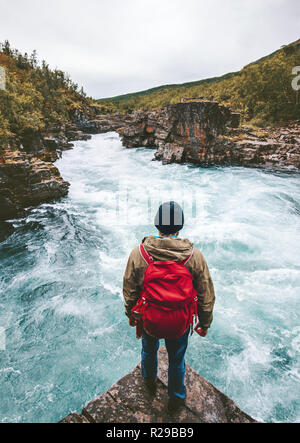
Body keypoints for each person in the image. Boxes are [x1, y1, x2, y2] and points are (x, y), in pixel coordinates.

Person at [123, 201, 215, 413]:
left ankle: (148, 380)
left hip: (149, 318)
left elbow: (129, 288)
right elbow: (205, 294)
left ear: (157, 225)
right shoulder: (194, 256)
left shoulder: (140, 253)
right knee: (177, 359)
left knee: (148, 349)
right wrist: (205, 322)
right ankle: (176, 398)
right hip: (180, 321)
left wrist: (131, 313)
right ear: (180, 226)